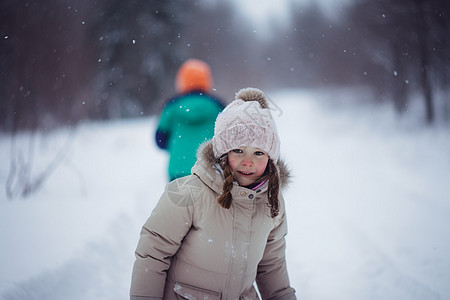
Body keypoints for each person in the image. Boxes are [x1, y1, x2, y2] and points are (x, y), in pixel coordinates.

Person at [131, 88, 297, 300]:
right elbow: (152, 255)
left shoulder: (272, 202)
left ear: (271, 158)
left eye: (258, 152)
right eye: (238, 150)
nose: (248, 161)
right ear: (222, 152)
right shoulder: (188, 194)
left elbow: (271, 266)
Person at [155, 58, 225, 181]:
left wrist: (178, 147)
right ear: (207, 81)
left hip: (178, 172)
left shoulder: (171, 107)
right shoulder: (217, 106)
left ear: (181, 81)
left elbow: (160, 140)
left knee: (179, 200)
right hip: (209, 171)